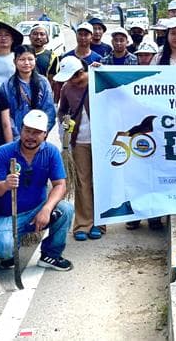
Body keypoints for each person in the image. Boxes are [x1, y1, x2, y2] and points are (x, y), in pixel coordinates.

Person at [0, 109, 74, 271]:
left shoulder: (51, 152)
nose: (30, 136)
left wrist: (47, 209)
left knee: (66, 209)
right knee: (5, 248)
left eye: (37, 133)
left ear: (45, 134)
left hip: (38, 210)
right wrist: (5, 184)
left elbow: (60, 184)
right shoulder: (3, 152)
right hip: (9, 215)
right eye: (27, 131)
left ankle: (51, 255)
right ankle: (10, 250)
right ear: (20, 129)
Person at [54, 59, 103, 241]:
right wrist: (64, 126)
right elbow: (62, 110)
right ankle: (83, 223)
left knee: (99, 181)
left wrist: (103, 70)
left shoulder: (98, 79)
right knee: (82, 182)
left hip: (102, 140)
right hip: (79, 141)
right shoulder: (67, 88)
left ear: (79, 73)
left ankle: (99, 222)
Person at [2, 45, 56, 133]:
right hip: (16, 136)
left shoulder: (43, 82)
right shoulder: (7, 85)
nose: (26, 63)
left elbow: (49, 110)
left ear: (35, 60)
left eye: (30, 59)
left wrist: (41, 132)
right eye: (22, 59)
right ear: (14, 61)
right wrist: (16, 135)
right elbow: (6, 115)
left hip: (38, 135)